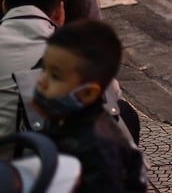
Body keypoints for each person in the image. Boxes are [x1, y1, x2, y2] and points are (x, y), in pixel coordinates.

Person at [35, 19, 147, 192]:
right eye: (44, 69)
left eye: (55, 76)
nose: (42, 81)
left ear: (87, 93)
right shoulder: (63, 117)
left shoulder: (98, 150)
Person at [0, 0, 66, 139]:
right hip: (50, 161)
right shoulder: (77, 52)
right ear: (59, 10)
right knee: (126, 112)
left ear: (4, 5)